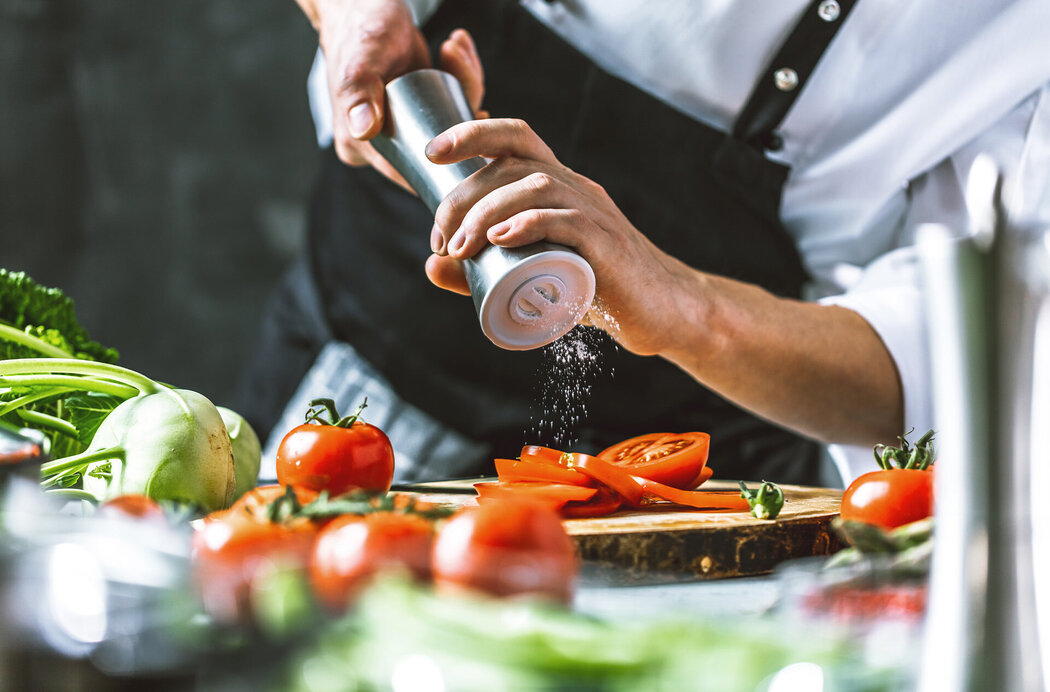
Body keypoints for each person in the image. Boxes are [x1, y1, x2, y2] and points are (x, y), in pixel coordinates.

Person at [236, 0, 1050, 487]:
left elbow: (942, 356)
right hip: (360, 385)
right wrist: (353, 16)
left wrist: (680, 306)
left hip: (673, 469)